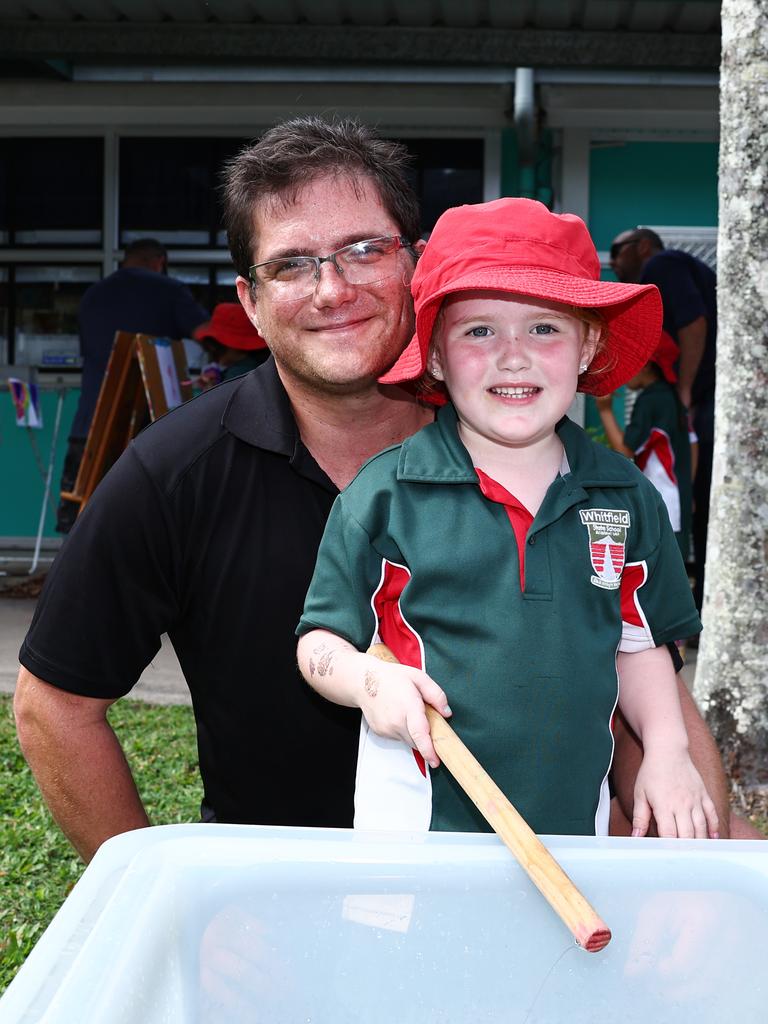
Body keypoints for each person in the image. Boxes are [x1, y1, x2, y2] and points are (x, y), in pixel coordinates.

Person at [12, 117, 742, 865]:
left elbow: (634, 663)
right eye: (293, 264)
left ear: (416, 267)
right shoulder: (172, 475)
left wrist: (699, 877)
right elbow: (54, 710)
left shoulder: (551, 454)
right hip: (282, 897)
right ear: (251, 301)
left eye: (365, 249)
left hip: (548, 884)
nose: (333, 288)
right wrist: (171, 911)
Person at [297, 198, 718, 840]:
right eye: (479, 331)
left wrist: (667, 750)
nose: (513, 356)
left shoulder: (624, 495)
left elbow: (640, 646)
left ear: (589, 345)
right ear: (435, 355)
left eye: (545, 328)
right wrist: (366, 680)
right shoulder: (382, 496)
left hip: (576, 839)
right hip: (414, 848)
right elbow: (317, 646)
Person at [56, 238, 208, 533]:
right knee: (148, 526)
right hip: (150, 429)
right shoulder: (169, 291)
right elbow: (207, 334)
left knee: (83, 522)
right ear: (159, 262)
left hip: (89, 426)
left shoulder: (93, 295)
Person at [610, 228, 716, 613]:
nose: (614, 262)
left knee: (707, 511)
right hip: (702, 400)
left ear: (642, 247)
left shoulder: (662, 263)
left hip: (705, 396)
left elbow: (694, 325)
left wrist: (685, 388)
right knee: (705, 508)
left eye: (618, 252)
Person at [595, 332, 694, 562]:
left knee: (663, 562)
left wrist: (605, 409)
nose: (626, 370)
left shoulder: (649, 401)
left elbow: (625, 450)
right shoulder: (672, 397)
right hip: (680, 494)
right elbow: (693, 444)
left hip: (665, 497)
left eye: (631, 363)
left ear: (647, 365)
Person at [191, 301, 270, 390]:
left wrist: (210, 391)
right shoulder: (263, 366)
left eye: (217, 347)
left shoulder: (238, 374)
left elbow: (221, 402)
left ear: (234, 347)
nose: (214, 351)